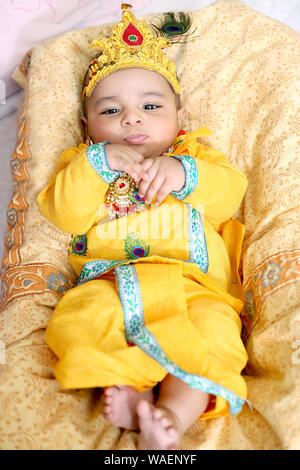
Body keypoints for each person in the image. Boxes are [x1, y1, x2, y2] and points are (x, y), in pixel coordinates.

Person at [38, 7, 249, 450]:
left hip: (194, 286)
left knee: (214, 336)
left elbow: (230, 196)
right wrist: (97, 164)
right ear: (87, 128)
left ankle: (172, 414)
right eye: (111, 110)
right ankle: (133, 394)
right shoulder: (85, 166)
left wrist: (183, 173)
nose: (132, 118)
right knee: (78, 323)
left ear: (178, 117)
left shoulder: (197, 158)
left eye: (151, 106)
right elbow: (64, 214)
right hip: (110, 282)